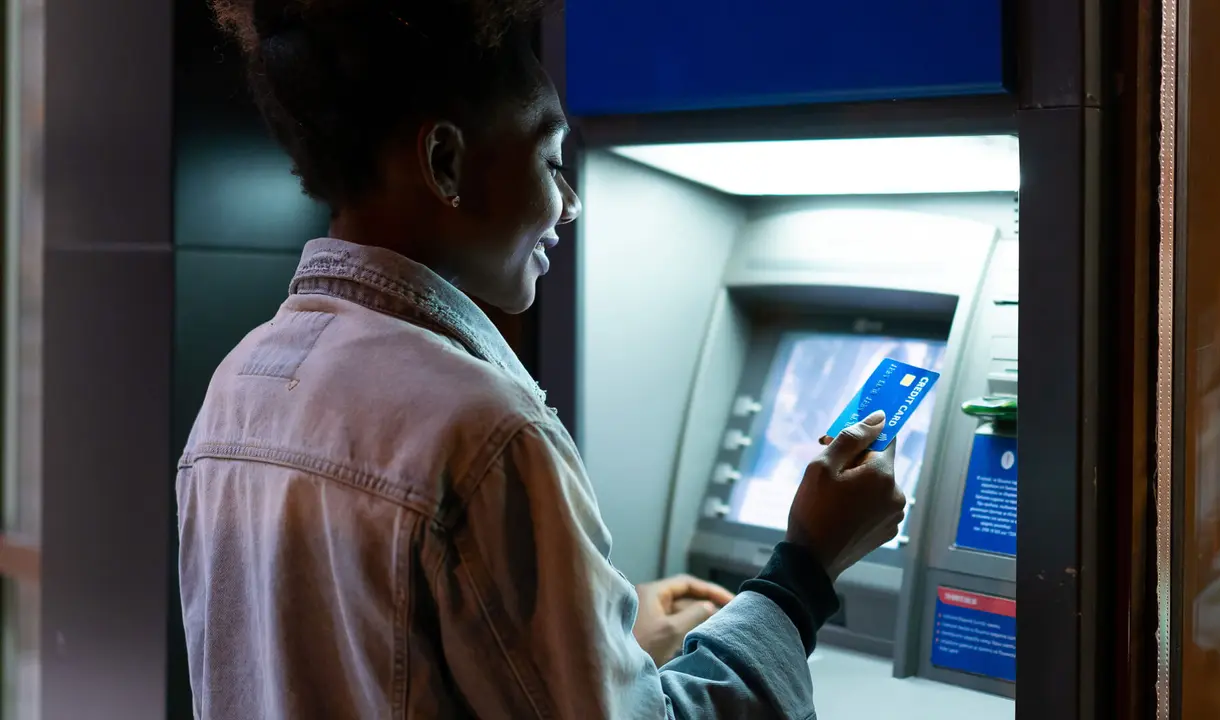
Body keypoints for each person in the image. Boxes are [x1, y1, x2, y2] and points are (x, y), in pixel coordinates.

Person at [177, 0, 906, 717]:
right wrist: (804, 572)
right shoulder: (482, 431)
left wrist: (598, 633)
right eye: (551, 158)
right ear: (446, 161)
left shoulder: (239, 385)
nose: (570, 202)